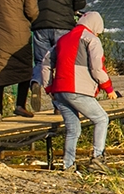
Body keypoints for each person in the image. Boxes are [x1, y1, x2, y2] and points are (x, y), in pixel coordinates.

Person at [41, 11, 116, 173]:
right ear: (95, 26)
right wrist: (108, 88)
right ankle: (97, 158)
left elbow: (45, 63)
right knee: (101, 119)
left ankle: (68, 166)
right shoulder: (92, 40)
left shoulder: (62, 39)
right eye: (98, 31)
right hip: (77, 90)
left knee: (73, 128)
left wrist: (49, 88)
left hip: (60, 92)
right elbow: (97, 67)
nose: (98, 34)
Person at [29, 0, 86, 111]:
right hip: (64, 26)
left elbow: (29, 0)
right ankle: (59, 105)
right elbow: (81, 1)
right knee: (61, 63)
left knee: (41, 61)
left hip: (39, 25)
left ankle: (36, 82)